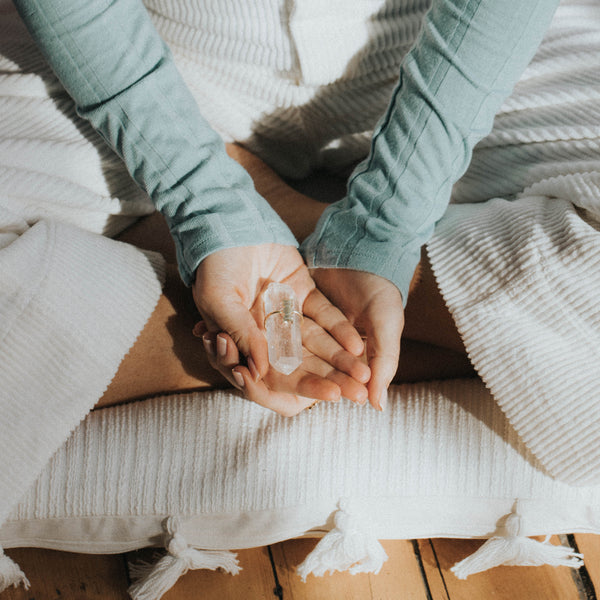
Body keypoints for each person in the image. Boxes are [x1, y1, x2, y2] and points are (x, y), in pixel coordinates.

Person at [4, 0, 600, 486]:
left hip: (448, 52)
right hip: (142, 54)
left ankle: (275, 213)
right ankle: (496, 347)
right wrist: (204, 198)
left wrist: (386, 222)